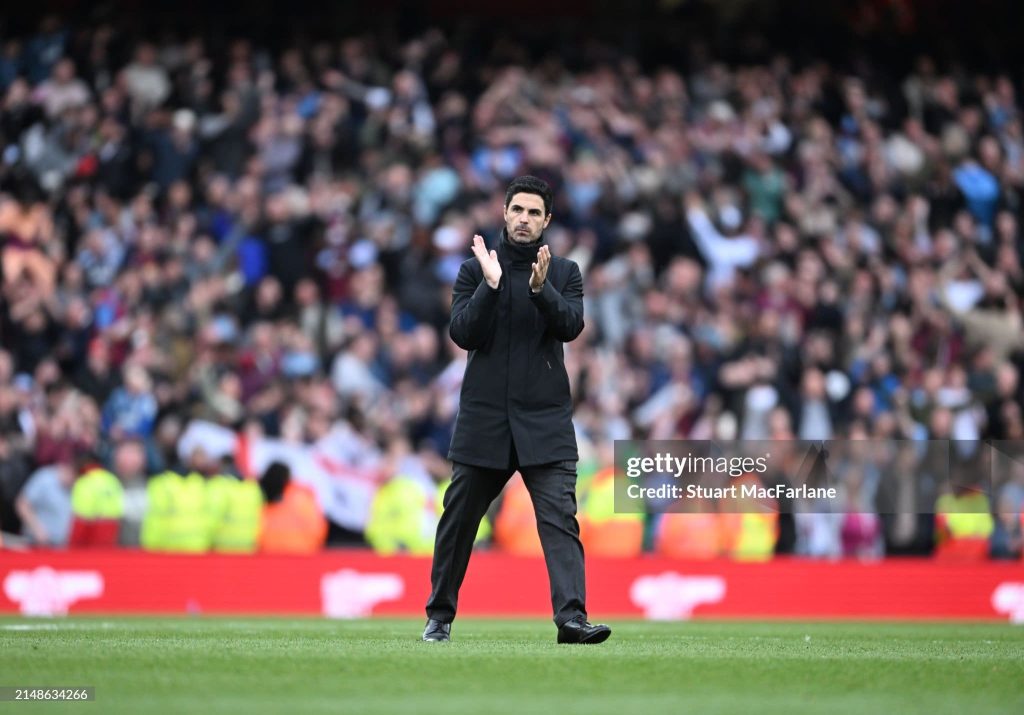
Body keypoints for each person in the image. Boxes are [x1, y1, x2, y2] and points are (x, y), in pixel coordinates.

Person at [422, 175, 611, 645]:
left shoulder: (565, 272)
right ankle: (439, 618)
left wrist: (541, 288)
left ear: (546, 221)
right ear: (504, 213)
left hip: (544, 421)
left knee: (560, 522)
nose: (524, 219)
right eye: (517, 210)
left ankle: (571, 620)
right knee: (458, 522)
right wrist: (490, 285)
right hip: (484, 421)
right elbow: (463, 334)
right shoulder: (473, 271)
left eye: (533, 213)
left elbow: (570, 326)